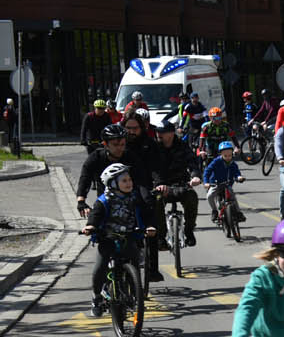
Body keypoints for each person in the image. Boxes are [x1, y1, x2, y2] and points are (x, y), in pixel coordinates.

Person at [80, 162, 157, 314]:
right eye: (124, 181)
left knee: (134, 262)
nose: (129, 183)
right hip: (107, 238)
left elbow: (146, 213)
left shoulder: (134, 198)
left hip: (129, 237)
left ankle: (135, 295)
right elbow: (96, 215)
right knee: (101, 267)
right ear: (113, 183)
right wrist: (90, 226)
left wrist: (149, 226)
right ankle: (96, 297)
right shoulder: (104, 200)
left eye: (130, 180)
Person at [149, 118, 203, 246]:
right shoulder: (154, 148)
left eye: (162, 132)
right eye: (157, 131)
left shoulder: (183, 146)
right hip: (161, 185)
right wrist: (159, 184)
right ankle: (161, 236)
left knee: (192, 197)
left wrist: (195, 176)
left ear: (171, 133)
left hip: (180, 184)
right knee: (155, 201)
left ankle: (189, 230)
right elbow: (152, 168)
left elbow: (192, 163)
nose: (158, 134)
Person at [202, 140, 246, 226]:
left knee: (233, 197)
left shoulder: (233, 163)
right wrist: (206, 182)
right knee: (210, 196)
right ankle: (214, 211)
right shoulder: (216, 162)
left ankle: (238, 213)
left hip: (227, 184)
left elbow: (237, 172)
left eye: (230, 155)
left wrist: (239, 177)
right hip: (215, 183)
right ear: (221, 154)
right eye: (225, 155)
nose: (228, 157)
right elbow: (207, 171)